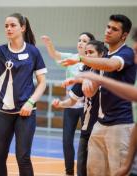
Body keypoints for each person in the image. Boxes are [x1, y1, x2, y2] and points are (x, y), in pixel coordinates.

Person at [0, 12, 47, 176]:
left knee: (23, 157)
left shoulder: (33, 52)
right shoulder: (0, 51)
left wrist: (30, 102)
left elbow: (42, 83)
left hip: (25, 113)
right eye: (6, 26)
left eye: (12, 25)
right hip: (3, 114)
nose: (9, 28)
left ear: (23, 27)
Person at [61, 14, 136, 176]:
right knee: (93, 172)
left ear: (124, 35)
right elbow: (93, 87)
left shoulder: (127, 53)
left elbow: (111, 65)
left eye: (114, 29)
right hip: (100, 125)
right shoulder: (104, 57)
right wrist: (85, 83)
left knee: (117, 172)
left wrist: (81, 58)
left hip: (120, 125)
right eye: (108, 27)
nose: (108, 31)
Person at [41, 32, 95, 176]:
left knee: (87, 142)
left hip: (86, 107)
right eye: (79, 40)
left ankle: (86, 171)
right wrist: (49, 45)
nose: (80, 43)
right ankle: (69, 172)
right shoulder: (71, 58)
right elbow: (55, 55)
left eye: (84, 41)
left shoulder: (93, 63)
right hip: (70, 105)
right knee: (66, 140)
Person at [53, 40, 107, 176]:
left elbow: (99, 79)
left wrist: (79, 80)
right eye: (86, 53)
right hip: (87, 130)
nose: (88, 55)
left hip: (104, 130)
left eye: (91, 52)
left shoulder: (107, 72)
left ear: (101, 54)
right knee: (81, 170)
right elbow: (72, 100)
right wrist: (60, 104)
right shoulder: (85, 71)